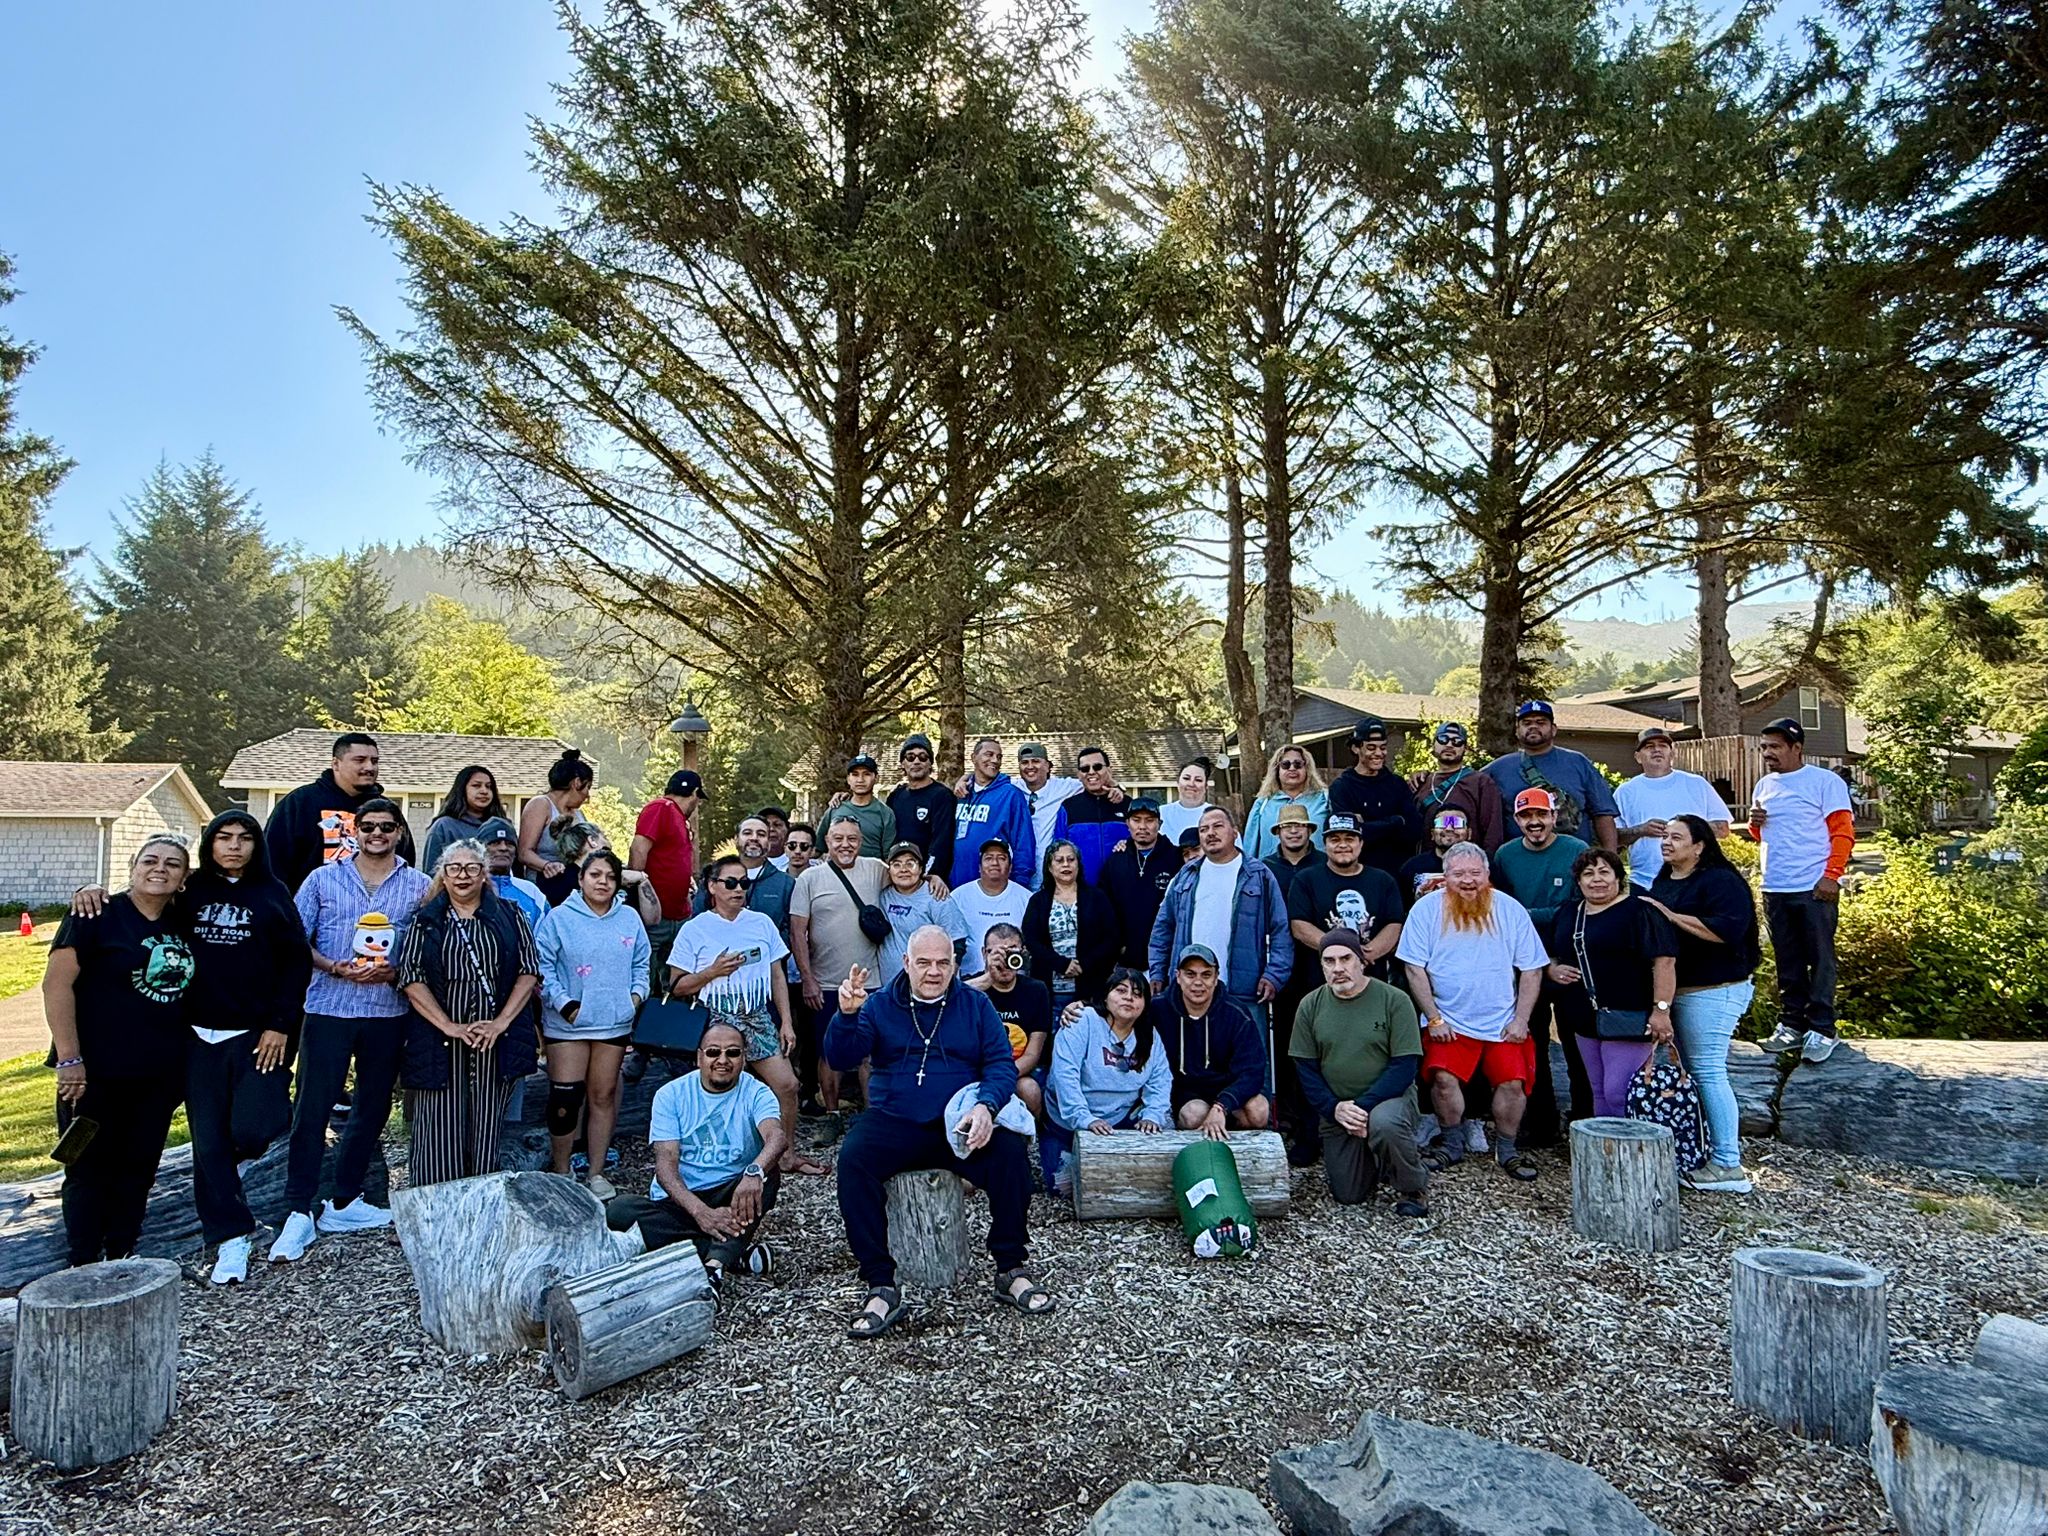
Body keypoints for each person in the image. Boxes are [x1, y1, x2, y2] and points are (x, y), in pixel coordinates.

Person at [827, 931, 1048, 1336]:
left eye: (943, 963)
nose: (933, 972)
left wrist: (986, 1106)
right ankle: (880, 1282)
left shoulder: (975, 1005)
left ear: (955, 965)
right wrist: (846, 1016)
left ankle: (1010, 1267)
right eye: (924, 963)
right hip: (895, 1119)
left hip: (959, 1122)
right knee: (854, 1159)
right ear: (906, 963)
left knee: (1010, 1155)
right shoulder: (879, 1004)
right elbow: (840, 1057)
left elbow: (1000, 1064)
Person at [270, 798, 431, 1263]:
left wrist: (396, 971)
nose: (377, 834)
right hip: (329, 1006)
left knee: (372, 1107)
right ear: (354, 832)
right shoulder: (322, 879)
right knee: (313, 1107)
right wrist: (333, 966)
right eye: (369, 826)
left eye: (386, 826)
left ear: (400, 832)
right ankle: (298, 1208)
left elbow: (426, 944)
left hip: (388, 1010)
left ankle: (344, 1199)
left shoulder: (419, 885)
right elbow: (294, 939)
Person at [42, 836, 195, 1268]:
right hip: (93, 1074)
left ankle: (123, 1251)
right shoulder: (94, 914)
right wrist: (69, 1059)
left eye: (172, 864)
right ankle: (84, 1261)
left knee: (139, 1166)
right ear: (132, 867)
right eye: (150, 860)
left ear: (184, 878)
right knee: (86, 1165)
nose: (160, 869)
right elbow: (56, 985)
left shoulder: (183, 919)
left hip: (159, 1074)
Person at [181, 812, 307, 1285]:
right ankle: (231, 1236)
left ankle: (282, 1205)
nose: (234, 846)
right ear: (209, 844)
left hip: (256, 1036)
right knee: (208, 1140)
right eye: (224, 838)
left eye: (244, 838)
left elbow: (295, 965)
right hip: (196, 1035)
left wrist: (279, 1026)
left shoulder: (272, 894)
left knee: (257, 1125)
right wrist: (89, 892)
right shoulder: (188, 891)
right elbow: (139, 907)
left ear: (257, 845)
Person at [1396, 843, 1548, 1182]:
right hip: (1448, 1019)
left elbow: (1532, 969)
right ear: (1445, 876)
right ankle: (1452, 1144)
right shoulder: (1425, 910)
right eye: (1459, 874)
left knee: (1513, 1083)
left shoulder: (1510, 910)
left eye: (1475, 873)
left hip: (1501, 1021)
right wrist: (1434, 1017)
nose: (1468, 881)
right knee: (1443, 1080)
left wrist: (1521, 1020)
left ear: (1487, 874)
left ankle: (1506, 1149)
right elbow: (1414, 968)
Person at [395, 840, 542, 1186]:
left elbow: (529, 971)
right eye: (454, 868)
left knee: (487, 1131)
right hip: (439, 1040)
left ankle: (481, 1205)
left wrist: (500, 1023)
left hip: (496, 1038)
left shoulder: (509, 915)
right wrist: (448, 1026)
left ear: (484, 874)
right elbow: (411, 978)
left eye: (471, 868)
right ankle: (437, 1210)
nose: (463, 875)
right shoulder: (425, 920)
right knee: (437, 1134)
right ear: (443, 876)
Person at [602, 1021, 786, 1279]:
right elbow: (666, 1168)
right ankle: (730, 1254)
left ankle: (714, 1268)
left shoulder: (757, 1092)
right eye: (713, 1052)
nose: (723, 1060)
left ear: (744, 1058)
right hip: (681, 1200)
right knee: (619, 1211)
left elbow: (776, 1137)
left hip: (730, 1191)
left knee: (768, 1174)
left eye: (733, 1053)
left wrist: (754, 1172)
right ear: (699, 1057)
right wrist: (701, 1213)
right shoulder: (670, 1094)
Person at [675, 853, 819, 1173]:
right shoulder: (695, 929)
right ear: (712, 886)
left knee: (787, 1085)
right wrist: (712, 972)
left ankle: (786, 1154)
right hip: (717, 1018)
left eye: (744, 883)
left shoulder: (761, 923)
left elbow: (777, 974)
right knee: (720, 1089)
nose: (738, 889)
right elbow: (677, 985)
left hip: (756, 1015)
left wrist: (786, 1022)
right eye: (730, 883)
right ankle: (718, 1159)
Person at [1644, 814, 1762, 1191]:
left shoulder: (1721, 881)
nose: (1667, 842)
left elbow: (1728, 930)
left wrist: (1669, 916)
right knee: (1691, 1073)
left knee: (1709, 1070)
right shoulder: (1665, 878)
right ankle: (1702, 1150)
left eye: (1677, 837)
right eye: (1665, 836)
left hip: (1715, 989)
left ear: (1699, 846)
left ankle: (1728, 1164)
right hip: (1679, 990)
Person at [534, 849, 650, 1198]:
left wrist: (634, 998)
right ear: (581, 878)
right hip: (567, 1024)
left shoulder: (629, 918)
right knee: (565, 1097)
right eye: (595, 875)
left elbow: (642, 963)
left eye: (611, 877)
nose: (603, 882)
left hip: (613, 1023)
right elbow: (542, 964)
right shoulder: (559, 918)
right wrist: (564, 1004)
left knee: (603, 1095)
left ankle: (596, 1172)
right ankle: (562, 1170)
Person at [1291, 928, 1429, 1215]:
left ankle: (1412, 1187)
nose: (1338, 968)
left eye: (1346, 959)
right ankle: (1379, 1159)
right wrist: (1334, 1109)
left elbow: (1404, 1066)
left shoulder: (1395, 1000)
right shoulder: (1309, 1005)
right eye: (1329, 961)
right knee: (1349, 1195)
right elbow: (1306, 1070)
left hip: (1387, 1101)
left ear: (1362, 962)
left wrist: (1363, 1108)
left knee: (1385, 1124)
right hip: (1338, 1108)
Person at [1544, 847, 1677, 1118]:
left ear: (1618, 877)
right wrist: (1553, 970)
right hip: (1583, 1016)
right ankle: (1605, 1143)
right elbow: (1551, 954)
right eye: (1588, 873)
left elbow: (1664, 962)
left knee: (1619, 1091)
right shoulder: (1569, 912)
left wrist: (1661, 1010)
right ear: (1578, 880)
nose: (1597, 879)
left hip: (1628, 1015)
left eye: (1604, 872)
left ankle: (1631, 1142)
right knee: (1597, 1089)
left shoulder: (1639, 911)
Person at [1490, 787, 1591, 1141]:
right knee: (1531, 1044)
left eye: (1541, 814)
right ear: (1517, 820)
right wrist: (1532, 920)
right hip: (1522, 964)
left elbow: (1578, 906)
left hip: (1569, 962)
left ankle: (1584, 1123)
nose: (1534, 822)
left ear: (1553, 816)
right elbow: (1500, 908)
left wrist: (1528, 915)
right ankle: (1540, 1125)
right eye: (1526, 816)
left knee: (1577, 1045)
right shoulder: (1505, 855)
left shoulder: (1576, 850)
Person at [1750, 717, 1853, 1064]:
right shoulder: (1764, 785)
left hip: (1813, 885)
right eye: (1765, 747)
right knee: (1787, 960)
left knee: (1820, 959)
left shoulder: (1824, 782)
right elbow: (1765, 834)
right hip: (1775, 885)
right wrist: (1755, 825)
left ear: (1797, 748)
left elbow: (1843, 832)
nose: (1768, 753)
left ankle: (1823, 1028)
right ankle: (1791, 1025)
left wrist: (1832, 875)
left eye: (1775, 747)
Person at [1148, 807, 1291, 1025]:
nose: (1210, 833)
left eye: (1217, 826)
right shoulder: (1186, 875)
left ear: (1234, 832)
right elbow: (1163, 928)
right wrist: (1158, 972)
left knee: (1246, 1047)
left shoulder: (1258, 875)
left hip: (1245, 991)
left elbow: (1281, 929)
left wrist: (1274, 975)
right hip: (1190, 991)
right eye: (1204, 829)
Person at [1044, 967, 1172, 1192]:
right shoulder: (1082, 1021)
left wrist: (1152, 1115)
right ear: (1105, 996)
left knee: (1141, 1180)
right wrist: (1085, 1119)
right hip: (1069, 1121)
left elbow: (1160, 1081)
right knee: (1062, 1187)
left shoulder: (1149, 1036)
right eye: (1121, 990)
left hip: (1120, 1119)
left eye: (1137, 994)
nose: (1129, 998)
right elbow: (1065, 1076)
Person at [265, 731, 414, 891]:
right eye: (360, 760)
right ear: (336, 764)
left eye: (374, 761)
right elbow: (272, 862)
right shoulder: (300, 803)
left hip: (375, 904)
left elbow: (405, 862)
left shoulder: (387, 810)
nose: (369, 767)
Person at [1150, 945, 1268, 1137]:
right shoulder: (1157, 1009)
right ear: (1178, 976)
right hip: (1184, 1092)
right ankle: (1202, 1153)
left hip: (1228, 1091)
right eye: (1190, 974)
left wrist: (1222, 1105)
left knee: (1259, 1110)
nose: (1198, 982)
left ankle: (1243, 1151)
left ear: (1216, 978)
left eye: (1206, 975)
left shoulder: (1237, 1013)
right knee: (1194, 1114)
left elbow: (1252, 1071)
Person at [1479, 700, 1618, 850]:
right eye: (1526, 723)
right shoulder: (1498, 768)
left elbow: (1603, 814)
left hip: (1575, 858)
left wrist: (1610, 856)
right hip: (1517, 859)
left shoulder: (1578, 762)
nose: (1533, 726)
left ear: (1553, 729)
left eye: (1541, 722)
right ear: (1517, 730)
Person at [1287, 813, 1405, 980]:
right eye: (1334, 840)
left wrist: (1366, 954)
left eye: (1350, 839)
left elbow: (1394, 924)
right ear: (1325, 844)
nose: (1343, 845)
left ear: (1361, 843)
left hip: (1372, 978)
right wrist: (1342, 952)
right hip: (1320, 981)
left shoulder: (1384, 881)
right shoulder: (1305, 880)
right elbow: (1299, 926)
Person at [1616, 725, 1730, 886]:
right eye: (1649, 746)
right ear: (1638, 757)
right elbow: (1612, 837)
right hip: (1644, 882)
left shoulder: (1697, 784)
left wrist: (1686, 830)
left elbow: (1723, 829)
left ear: (1672, 753)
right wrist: (1641, 830)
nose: (1657, 750)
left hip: (1696, 881)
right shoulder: (1625, 792)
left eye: (1663, 745)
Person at [1023, 839, 1119, 1009]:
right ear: (1049, 867)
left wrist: (1084, 964)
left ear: (1078, 864)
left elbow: (1112, 939)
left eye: (1071, 859)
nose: (1066, 864)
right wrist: (1061, 964)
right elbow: (1031, 940)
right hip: (1049, 990)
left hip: (1091, 988)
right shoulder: (1038, 901)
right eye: (1059, 860)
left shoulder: (1097, 897)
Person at [969, 923, 1053, 1116]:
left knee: (1030, 1090)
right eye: (996, 952)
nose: (1005, 960)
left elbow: (1033, 1054)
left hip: (1017, 1070)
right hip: (977, 1069)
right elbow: (946, 999)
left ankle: (1034, 1132)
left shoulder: (1036, 990)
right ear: (984, 953)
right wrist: (987, 979)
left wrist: (1000, 1077)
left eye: (1012, 953)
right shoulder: (972, 988)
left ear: (1023, 953)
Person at [1324, 718, 1422, 879]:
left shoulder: (1397, 784)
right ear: (1356, 748)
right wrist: (1396, 821)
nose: (1378, 753)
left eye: (1383, 747)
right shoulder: (1342, 787)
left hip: (1397, 875)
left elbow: (1414, 830)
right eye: (1371, 748)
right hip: (1358, 875)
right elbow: (1348, 836)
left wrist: (1368, 825)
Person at [629, 770, 703, 977]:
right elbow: (638, 848)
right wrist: (636, 885)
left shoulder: (678, 817)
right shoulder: (661, 807)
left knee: (674, 977)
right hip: (656, 915)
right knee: (648, 972)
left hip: (678, 913)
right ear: (695, 793)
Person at [1098, 798, 1178, 967]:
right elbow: (1104, 908)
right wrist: (1116, 945)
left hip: (1166, 957)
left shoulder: (1175, 859)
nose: (1142, 826)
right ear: (1127, 824)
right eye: (1136, 820)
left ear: (1159, 824)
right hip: (1124, 958)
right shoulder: (1115, 861)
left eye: (1149, 820)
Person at [878, 841, 972, 985]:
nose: (903, 869)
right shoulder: (882, 895)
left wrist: (946, 982)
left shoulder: (936, 896)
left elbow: (957, 943)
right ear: (889, 870)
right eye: (897, 864)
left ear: (921, 868)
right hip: (891, 988)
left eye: (910, 864)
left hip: (929, 985)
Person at [950, 737, 1036, 888]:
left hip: (995, 888)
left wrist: (1020, 883)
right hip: (956, 885)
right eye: (989, 754)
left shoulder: (1010, 795)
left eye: (999, 757)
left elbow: (1023, 842)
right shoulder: (960, 793)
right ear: (973, 757)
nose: (995, 760)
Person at [1408, 722, 1508, 851]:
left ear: (1465, 748)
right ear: (1433, 745)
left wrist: (1487, 860)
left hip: (1466, 860)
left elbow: (1493, 831)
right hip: (1426, 859)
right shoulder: (1420, 781)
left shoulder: (1481, 782)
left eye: (1457, 741)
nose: (1449, 745)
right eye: (1443, 739)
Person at [1050, 745, 1130, 884]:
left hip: (1123, 886)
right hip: (1082, 889)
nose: (1091, 772)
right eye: (1085, 769)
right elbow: (1057, 851)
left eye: (1097, 767)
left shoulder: (1128, 805)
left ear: (1109, 770)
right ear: (1079, 774)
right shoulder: (1068, 807)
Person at [518, 748, 596, 883]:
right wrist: (546, 866)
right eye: (587, 787)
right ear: (577, 783)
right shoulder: (541, 805)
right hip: (543, 883)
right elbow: (524, 853)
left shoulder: (578, 814)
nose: (587, 795)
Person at [951, 837, 1033, 965]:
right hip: (969, 975)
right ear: (979, 867)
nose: (994, 863)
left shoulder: (1027, 899)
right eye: (988, 858)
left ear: (1010, 867)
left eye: (1001, 858)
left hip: (1013, 974)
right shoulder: (958, 897)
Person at [1244, 745, 1329, 863]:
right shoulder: (1263, 803)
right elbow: (1250, 846)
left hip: (1317, 869)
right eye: (1285, 765)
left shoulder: (1324, 799)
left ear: (1307, 768)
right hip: (1272, 871)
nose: (1292, 768)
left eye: (1298, 764)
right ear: (1277, 770)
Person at [1014, 743, 1085, 881]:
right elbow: (984, 781)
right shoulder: (1011, 788)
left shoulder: (1064, 787)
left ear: (1047, 766)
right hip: (1018, 873)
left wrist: (1115, 787)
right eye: (1024, 762)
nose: (1030, 766)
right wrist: (968, 779)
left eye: (1036, 761)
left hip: (1050, 874)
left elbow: (1094, 781)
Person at [887, 734, 956, 875]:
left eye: (923, 757)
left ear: (930, 763)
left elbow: (942, 841)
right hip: (899, 873)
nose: (916, 761)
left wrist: (932, 874)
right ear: (903, 763)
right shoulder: (896, 796)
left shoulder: (942, 796)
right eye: (910, 757)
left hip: (926, 876)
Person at [422, 764, 506, 875]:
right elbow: (431, 873)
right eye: (476, 785)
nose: (484, 791)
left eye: (489, 786)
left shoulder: (502, 826)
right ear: (462, 789)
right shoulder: (444, 826)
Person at [477, 816, 548, 929]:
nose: (503, 848)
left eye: (509, 844)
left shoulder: (532, 893)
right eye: (495, 843)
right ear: (480, 850)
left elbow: (545, 936)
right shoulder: (467, 888)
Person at [828, 753, 898, 859]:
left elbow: (889, 857)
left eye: (866, 774)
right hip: (838, 868)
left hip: (872, 869)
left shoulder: (885, 814)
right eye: (855, 774)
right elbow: (818, 848)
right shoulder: (835, 808)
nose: (860, 780)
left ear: (876, 778)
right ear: (848, 779)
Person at [1399, 809, 1468, 909]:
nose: (1449, 828)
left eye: (1457, 823)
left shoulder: (1485, 865)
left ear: (1469, 833)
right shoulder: (1411, 867)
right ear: (1432, 834)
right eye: (1441, 823)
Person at [1261, 803, 1323, 905]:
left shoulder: (1325, 863)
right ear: (1278, 832)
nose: (1293, 831)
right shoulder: (1266, 867)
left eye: (1300, 825)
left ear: (1310, 830)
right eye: (1287, 826)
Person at [1157, 758, 1216, 846]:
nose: (1191, 784)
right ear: (1178, 783)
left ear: (1206, 786)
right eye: (1186, 778)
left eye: (1198, 780)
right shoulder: (1160, 813)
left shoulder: (1217, 815)